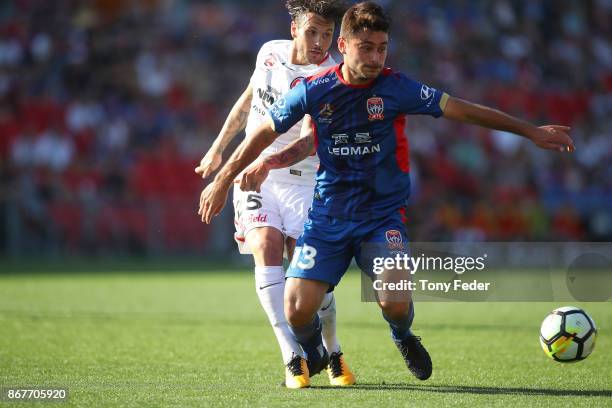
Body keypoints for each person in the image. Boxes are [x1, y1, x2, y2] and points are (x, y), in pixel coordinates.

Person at [198, 1, 575, 385]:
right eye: (367, 47)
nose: (376, 57)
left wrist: (530, 131)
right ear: (343, 46)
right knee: (297, 310)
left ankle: (403, 335)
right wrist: (227, 173)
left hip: (380, 217)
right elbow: (264, 131)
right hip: (327, 215)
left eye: (382, 48)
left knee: (394, 301)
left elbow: (462, 109)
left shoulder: (397, 88)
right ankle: (312, 353)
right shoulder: (315, 88)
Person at [194, 0, 354, 389]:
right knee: (265, 245)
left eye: (328, 35)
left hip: (302, 181)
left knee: (309, 276)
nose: (320, 42)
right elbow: (249, 99)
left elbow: (306, 143)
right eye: (313, 31)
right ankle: (291, 356)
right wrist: (219, 147)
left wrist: (268, 163)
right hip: (253, 175)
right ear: (295, 27)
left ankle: (333, 350)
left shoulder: (332, 75)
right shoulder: (270, 52)